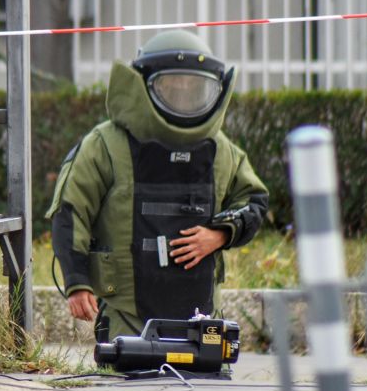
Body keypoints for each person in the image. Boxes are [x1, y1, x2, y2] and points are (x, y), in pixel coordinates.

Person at [46, 29, 269, 341]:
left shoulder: (221, 151)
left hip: (202, 318)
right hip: (127, 319)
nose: (182, 92)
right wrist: (77, 283)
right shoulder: (106, 145)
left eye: (193, 87)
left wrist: (219, 234)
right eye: (170, 85)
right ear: (142, 86)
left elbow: (254, 201)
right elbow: (70, 211)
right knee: (128, 372)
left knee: (204, 378)